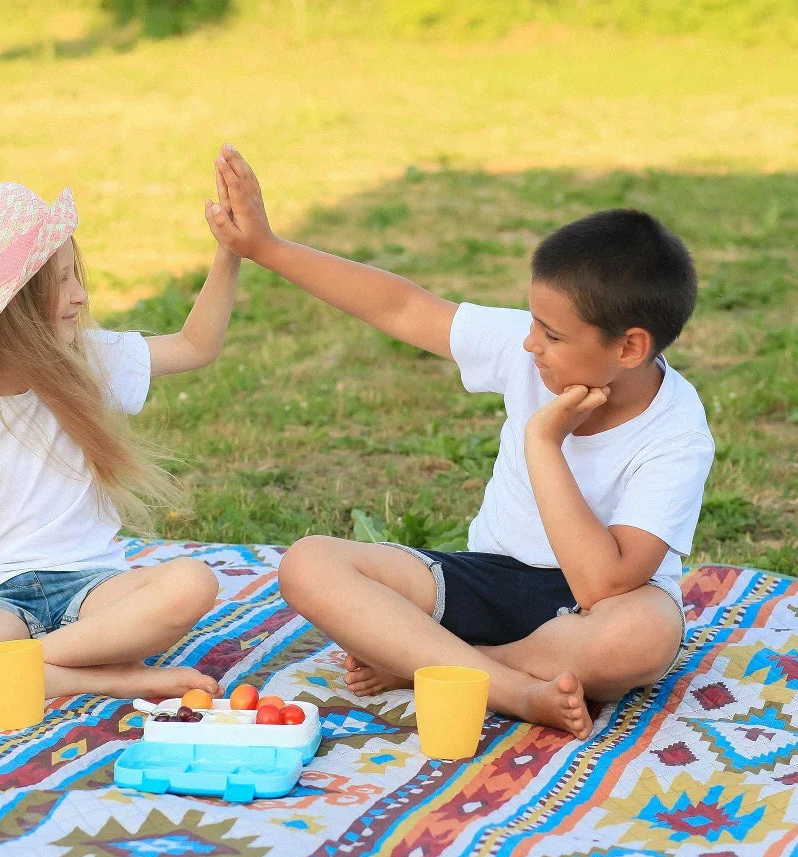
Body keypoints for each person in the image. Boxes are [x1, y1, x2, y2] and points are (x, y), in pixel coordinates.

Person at [205, 144, 715, 739]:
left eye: (549, 334)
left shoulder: (677, 430)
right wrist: (266, 248)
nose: (529, 345)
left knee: (644, 639)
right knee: (308, 563)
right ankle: (518, 690)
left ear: (628, 348)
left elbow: (603, 585)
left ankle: (438, 666)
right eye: (531, 323)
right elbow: (403, 307)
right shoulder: (535, 351)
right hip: (488, 578)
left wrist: (544, 445)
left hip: (594, 612)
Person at [0, 177, 240, 709]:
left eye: (75, 277)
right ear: (14, 309)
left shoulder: (88, 362)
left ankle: (25, 669)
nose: (80, 296)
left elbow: (195, 345)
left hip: (95, 592)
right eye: (62, 282)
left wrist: (229, 252)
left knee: (192, 583)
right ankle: (105, 677)